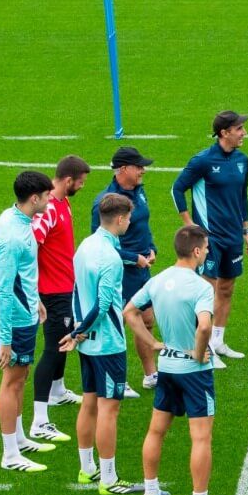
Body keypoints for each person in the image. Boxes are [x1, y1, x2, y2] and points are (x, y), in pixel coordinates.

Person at [128, 224, 230, 495]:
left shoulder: (158, 280)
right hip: (194, 373)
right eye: (206, 248)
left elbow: (129, 313)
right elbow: (206, 326)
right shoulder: (200, 287)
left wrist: (153, 343)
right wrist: (200, 354)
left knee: (156, 430)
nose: (208, 251)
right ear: (196, 251)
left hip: (168, 366)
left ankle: (150, 490)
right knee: (200, 437)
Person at [61, 192, 152, 495]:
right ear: (119, 219)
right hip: (108, 344)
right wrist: (78, 332)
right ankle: (109, 480)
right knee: (108, 409)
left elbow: (76, 291)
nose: (130, 222)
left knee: (89, 402)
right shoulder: (111, 259)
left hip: (88, 341)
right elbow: (102, 305)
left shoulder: (85, 247)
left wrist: (78, 328)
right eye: (129, 218)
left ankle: (87, 469)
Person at [172, 110, 248, 367]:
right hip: (210, 238)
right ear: (224, 133)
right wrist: (190, 225)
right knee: (206, 290)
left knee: (227, 288)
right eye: (239, 129)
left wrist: (247, 231)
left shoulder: (242, 160)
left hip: (233, 236)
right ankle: (204, 345)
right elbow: (177, 188)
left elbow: (242, 197)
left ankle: (218, 340)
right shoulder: (203, 161)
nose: (244, 133)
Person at [0, 170, 58, 472]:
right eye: (46, 196)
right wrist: (5, 340)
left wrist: (37, 301)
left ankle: (19, 439)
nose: (49, 200)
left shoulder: (14, 217)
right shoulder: (13, 237)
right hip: (15, 321)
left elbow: (22, 276)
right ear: (35, 198)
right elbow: (4, 291)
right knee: (12, 381)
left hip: (27, 313)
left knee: (21, 378)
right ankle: (10, 455)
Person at [29, 154, 90, 442]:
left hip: (64, 285)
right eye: (80, 182)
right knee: (54, 348)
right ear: (68, 180)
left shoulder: (63, 203)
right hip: (52, 291)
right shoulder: (50, 208)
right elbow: (31, 243)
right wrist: (35, 288)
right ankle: (39, 420)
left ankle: (57, 390)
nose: (81, 186)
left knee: (64, 339)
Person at [93, 146, 156, 395]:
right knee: (116, 325)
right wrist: (133, 258)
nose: (143, 170)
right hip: (119, 272)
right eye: (138, 166)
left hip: (141, 269)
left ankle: (150, 374)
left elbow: (144, 226)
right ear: (122, 169)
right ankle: (116, 377)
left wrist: (151, 249)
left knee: (147, 320)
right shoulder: (106, 202)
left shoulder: (139, 192)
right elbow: (98, 243)